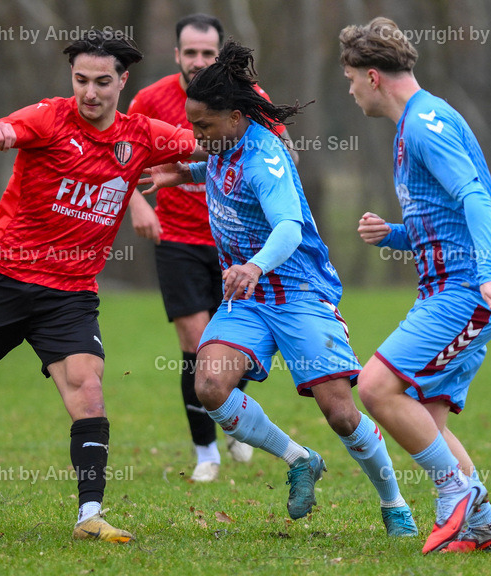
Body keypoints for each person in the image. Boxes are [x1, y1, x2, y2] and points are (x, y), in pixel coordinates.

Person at [0, 30, 198, 544]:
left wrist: (257, 138)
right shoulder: (47, 118)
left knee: (89, 389)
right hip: (2, 281)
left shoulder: (142, 134)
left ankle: (89, 515)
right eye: (81, 80)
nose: (90, 92)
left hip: (70, 294)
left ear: (124, 81)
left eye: (102, 82)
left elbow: (209, 141)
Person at [143, 40, 417, 536]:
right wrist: (186, 172)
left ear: (234, 116)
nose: (195, 133)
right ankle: (299, 459)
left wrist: (253, 266)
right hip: (249, 302)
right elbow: (224, 170)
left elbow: (289, 227)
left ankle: (394, 502)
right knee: (209, 386)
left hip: (297, 295)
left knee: (339, 413)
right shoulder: (226, 146)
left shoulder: (263, 154)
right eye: (192, 124)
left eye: (203, 125)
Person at [339, 17, 491, 553]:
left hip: (464, 291)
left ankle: (453, 495)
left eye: (349, 79)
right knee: (428, 420)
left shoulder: (424, 123)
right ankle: (486, 529)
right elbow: (444, 217)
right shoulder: (414, 125)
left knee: (374, 387)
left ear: (372, 77)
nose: (348, 90)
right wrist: (394, 235)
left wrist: (488, 272)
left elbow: (475, 198)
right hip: (451, 286)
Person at [126, 14, 297, 484]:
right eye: (191, 52)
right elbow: (121, 155)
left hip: (240, 245)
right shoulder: (151, 99)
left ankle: (234, 416)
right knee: (195, 343)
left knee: (230, 346)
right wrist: (138, 204)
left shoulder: (248, 101)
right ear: (177, 54)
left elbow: (285, 156)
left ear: (218, 55)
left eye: (208, 53)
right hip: (177, 239)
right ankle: (206, 452)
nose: (198, 60)